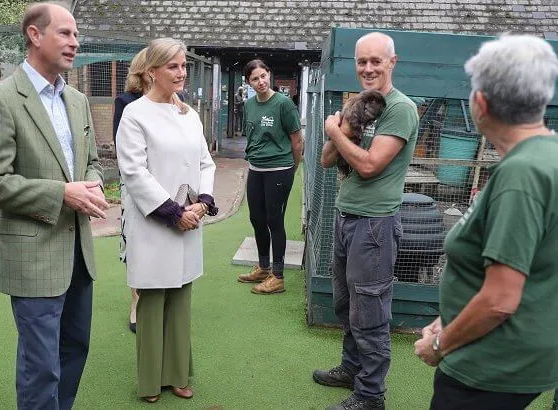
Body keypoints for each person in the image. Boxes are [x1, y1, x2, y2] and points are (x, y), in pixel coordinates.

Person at [0, 3, 109, 409]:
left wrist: (95, 183)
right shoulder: (0, 101)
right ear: (34, 35)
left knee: (75, 350)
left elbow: (92, 162)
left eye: (76, 35)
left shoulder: (78, 100)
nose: (75, 43)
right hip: (32, 256)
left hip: (78, 254)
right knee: (41, 367)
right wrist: (62, 194)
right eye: (65, 33)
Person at [414, 34, 558, 410]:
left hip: (490, 366)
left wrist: (439, 344)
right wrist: (448, 319)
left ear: (480, 103)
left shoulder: (522, 175)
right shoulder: (548, 157)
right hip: (521, 355)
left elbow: (499, 300)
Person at [313, 32, 419, 410]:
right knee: (346, 304)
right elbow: (327, 160)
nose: (368, 68)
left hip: (375, 226)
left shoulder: (399, 109)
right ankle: (351, 367)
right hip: (348, 217)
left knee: (370, 313)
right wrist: (338, 133)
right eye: (362, 62)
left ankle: (371, 395)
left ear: (393, 62)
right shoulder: (359, 104)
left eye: (376, 61)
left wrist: (332, 131)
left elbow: (370, 166)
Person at [115, 37, 218, 403]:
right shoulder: (135, 114)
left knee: (181, 299)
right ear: (151, 71)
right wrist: (174, 213)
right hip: (154, 224)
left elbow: (206, 162)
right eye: (172, 66)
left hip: (189, 220)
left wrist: (203, 202)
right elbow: (134, 172)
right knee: (153, 298)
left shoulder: (189, 115)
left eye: (183, 66)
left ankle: (177, 374)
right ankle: (149, 381)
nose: (180, 73)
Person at [236, 59, 303, 294]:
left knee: (275, 221)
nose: (261, 81)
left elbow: (297, 141)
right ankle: (263, 267)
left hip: (279, 169)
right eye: (255, 78)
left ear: (269, 74)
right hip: (256, 169)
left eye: (263, 76)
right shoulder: (250, 105)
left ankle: (278, 275)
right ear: (249, 83)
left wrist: (291, 170)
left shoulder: (283, 104)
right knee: (256, 218)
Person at [112, 47, 150, 334]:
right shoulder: (125, 102)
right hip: (135, 184)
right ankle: (136, 300)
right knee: (135, 242)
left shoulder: (178, 101)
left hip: (168, 184)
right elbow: (121, 148)